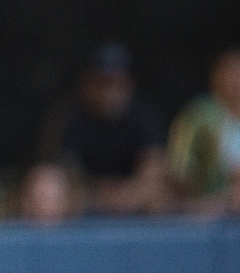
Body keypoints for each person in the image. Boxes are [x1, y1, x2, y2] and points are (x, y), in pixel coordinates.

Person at [31, 42, 170, 215]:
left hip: (134, 204)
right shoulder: (69, 117)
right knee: (45, 185)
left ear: (129, 83)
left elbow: (154, 170)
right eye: (102, 82)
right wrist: (100, 193)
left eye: (116, 81)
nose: (109, 91)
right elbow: (61, 172)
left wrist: (127, 194)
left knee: (162, 196)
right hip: (84, 205)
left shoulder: (144, 116)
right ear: (87, 83)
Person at [168, 44, 240, 211]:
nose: (235, 80)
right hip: (208, 210)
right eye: (230, 72)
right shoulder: (199, 115)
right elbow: (179, 172)